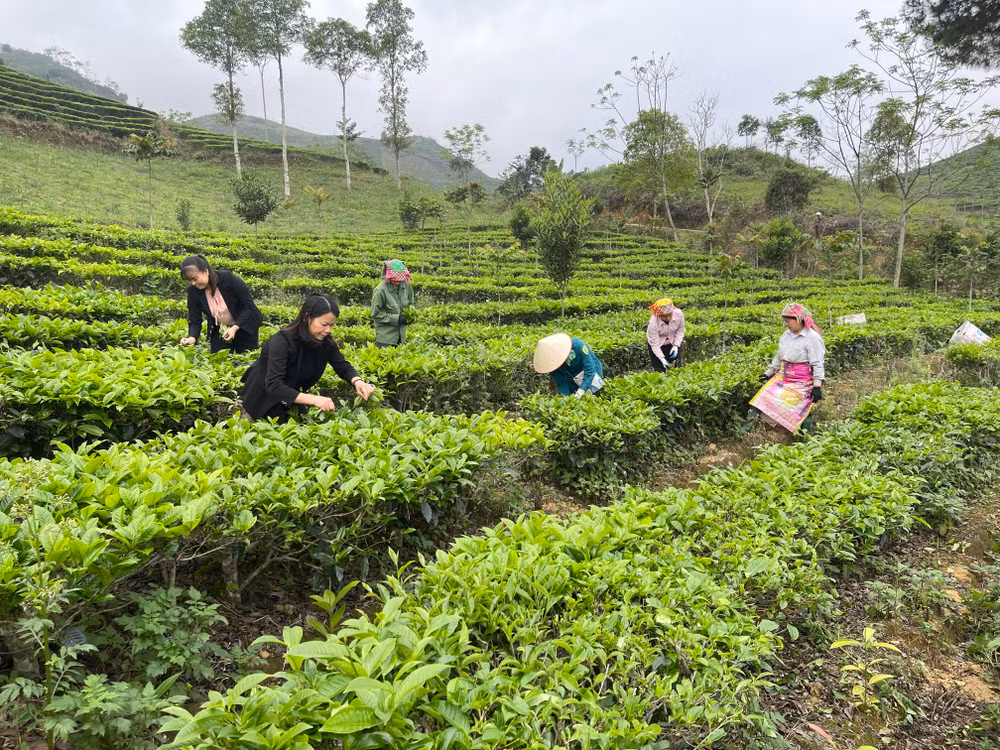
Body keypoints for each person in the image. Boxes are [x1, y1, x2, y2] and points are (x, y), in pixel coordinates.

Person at [240, 294, 375, 421]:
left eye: (331, 325)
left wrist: (358, 381)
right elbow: (274, 385)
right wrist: (315, 399)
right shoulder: (281, 341)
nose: (328, 330)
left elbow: (342, 365)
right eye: (324, 324)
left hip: (292, 399)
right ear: (306, 318)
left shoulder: (325, 341)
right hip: (261, 399)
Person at [745, 303, 826, 434]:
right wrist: (768, 373)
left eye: (788, 321)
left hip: (802, 382)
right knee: (760, 399)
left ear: (799, 319)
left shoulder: (813, 338)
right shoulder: (786, 335)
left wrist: (817, 387)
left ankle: (804, 438)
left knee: (802, 409)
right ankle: (746, 432)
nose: (786, 324)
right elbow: (779, 356)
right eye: (785, 321)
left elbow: (817, 363)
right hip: (783, 378)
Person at [179, 255, 262, 354]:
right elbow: (194, 318)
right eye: (189, 281)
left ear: (206, 271)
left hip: (245, 324)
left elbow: (249, 306)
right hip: (221, 329)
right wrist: (192, 337)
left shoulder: (228, 279)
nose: (193, 283)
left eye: (195, 279)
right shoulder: (194, 292)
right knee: (219, 359)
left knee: (246, 359)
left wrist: (235, 328)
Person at [533, 333, 605, 397]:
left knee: (594, 396)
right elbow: (561, 382)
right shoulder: (552, 364)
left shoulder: (578, 346)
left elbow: (589, 370)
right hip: (571, 378)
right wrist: (565, 399)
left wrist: (582, 390)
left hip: (591, 375)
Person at [371, 258, 414, 348]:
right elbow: (376, 313)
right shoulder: (380, 291)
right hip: (385, 339)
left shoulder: (407, 286)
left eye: (400, 279)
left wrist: (411, 314)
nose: (398, 282)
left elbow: (411, 303)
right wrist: (396, 319)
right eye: (395, 279)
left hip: (401, 337)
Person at [646, 297, 685, 371]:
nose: (668, 317)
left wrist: (676, 345)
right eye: (664, 316)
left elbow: (680, 331)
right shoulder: (653, 323)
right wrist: (662, 358)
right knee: (659, 369)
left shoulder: (679, 314)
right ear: (659, 315)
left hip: (672, 342)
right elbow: (655, 345)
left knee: (676, 367)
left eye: (669, 314)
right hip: (658, 345)